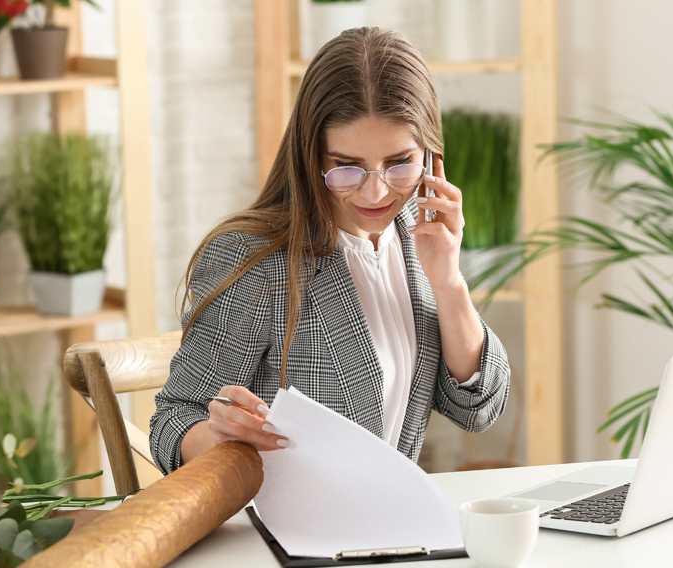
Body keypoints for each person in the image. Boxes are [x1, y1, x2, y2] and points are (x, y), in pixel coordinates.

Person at [149, 27, 512, 474]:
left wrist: (450, 283)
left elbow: (478, 408)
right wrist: (220, 436)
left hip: (387, 529)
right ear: (311, 156)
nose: (377, 192)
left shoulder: (417, 235)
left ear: (431, 156)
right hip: (278, 537)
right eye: (346, 167)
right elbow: (172, 419)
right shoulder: (256, 261)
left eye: (399, 163)